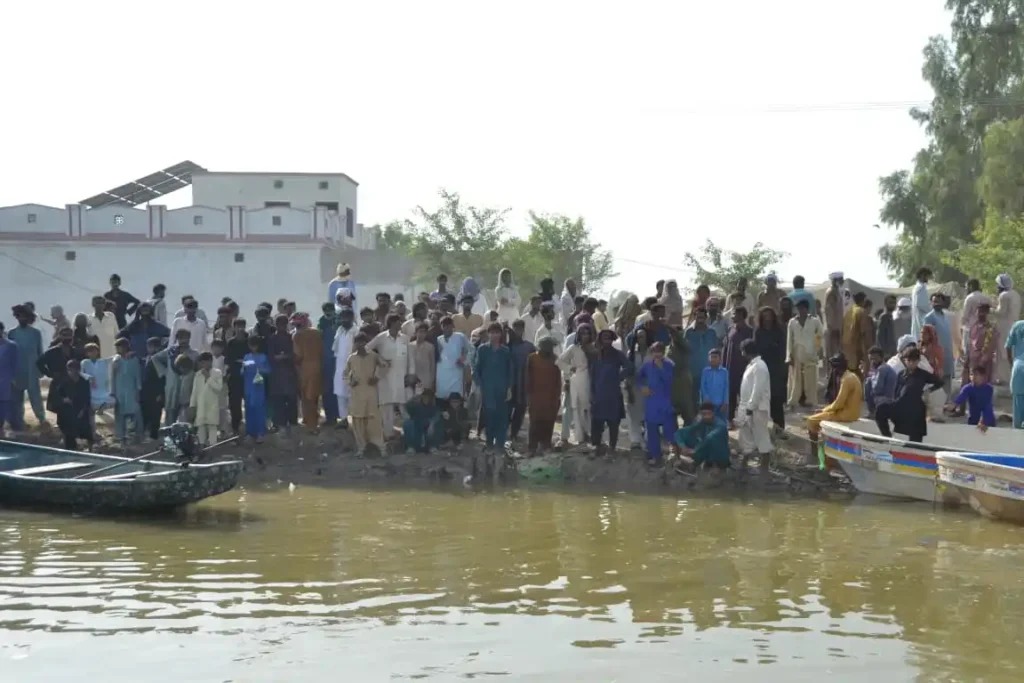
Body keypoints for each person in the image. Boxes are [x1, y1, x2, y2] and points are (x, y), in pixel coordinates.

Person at [876, 348, 944, 442]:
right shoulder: (901, 374)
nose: (912, 363)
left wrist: (928, 391)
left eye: (914, 361)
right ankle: (887, 437)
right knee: (881, 409)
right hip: (901, 406)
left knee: (915, 438)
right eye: (909, 360)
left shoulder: (922, 374)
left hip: (915, 409)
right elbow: (895, 392)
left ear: (918, 361)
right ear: (905, 360)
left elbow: (939, 382)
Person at [806, 354, 863, 458]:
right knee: (819, 416)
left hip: (846, 414)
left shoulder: (846, 379)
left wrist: (823, 410)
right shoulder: (851, 376)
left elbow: (838, 403)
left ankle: (814, 454)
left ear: (837, 368)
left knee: (811, 420)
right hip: (852, 412)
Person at [368, 314, 412, 439]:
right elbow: (367, 349)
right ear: (391, 323)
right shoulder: (381, 337)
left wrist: (410, 373)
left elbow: (410, 357)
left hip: (402, 376)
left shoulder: (405, 338)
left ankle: (409, 433)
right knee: (386, 407)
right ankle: (388, 435)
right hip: (385, 376)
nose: (400, 324)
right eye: (398, 322)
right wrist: (379, 359)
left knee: (405, 406)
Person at [589, 329, 631, 452]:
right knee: (597, 421)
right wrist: (592, 393)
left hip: (613, 393)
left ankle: (612, 447)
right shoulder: (596, 355)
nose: (606, 340)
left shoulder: (618, 354)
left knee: (614, 421)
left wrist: (619, 377)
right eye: (604, 337)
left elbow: (629, 367)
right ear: (600, 340)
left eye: (609, 337)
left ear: (612, 339)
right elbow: (593, 375)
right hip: (599, 392)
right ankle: (596, 446)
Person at [474, 322, 514, 450]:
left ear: (501, 334)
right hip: (487, 388)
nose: (495, 335)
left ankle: (500, 443)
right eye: (492, 333)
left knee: (502, 416)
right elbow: (476, 369)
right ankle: (489, 442)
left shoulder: (505, 351)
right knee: (489, 416)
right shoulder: (482, 349)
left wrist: (509, 388)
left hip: (502, 388)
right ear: (488, 334)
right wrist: (480, 386)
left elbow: (510, 371)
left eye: (497, 332)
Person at [734, 339, 772, 472]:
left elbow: (758, 389)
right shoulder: (752, 365)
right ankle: (744, 463)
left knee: (761, 436)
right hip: (748, 407)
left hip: (757, 408)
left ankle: (764, 467)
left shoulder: (760, 366)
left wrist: (750, 407)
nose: (741, 354)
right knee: (746, 436)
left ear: (746, 351)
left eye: (742, 351)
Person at [636, 342, 676, 465]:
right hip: (651, 401)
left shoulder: (669, 365)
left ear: (664, 352)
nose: (657, 354)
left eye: (660, 351)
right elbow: (638, 378)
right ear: (651, 352)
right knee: (652, 430)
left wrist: (660, 368)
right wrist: (642, 388)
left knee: (670, 430)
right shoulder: (647, 366)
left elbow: (669, 381)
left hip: (665, 401)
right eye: (655, 351)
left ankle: (676, 455)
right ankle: (656, 456)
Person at [557, 323, 595, 449]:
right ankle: (577, 438)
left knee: (588, 408)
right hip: (575, 380)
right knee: (575, 408)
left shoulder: (594, 348)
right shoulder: (573, 348)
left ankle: (589, 434)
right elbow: (559, 361)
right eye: (582, 333)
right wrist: (569, 370)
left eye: (587, 333)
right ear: (578, 335)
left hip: (589, 381)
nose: (585, 336)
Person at [150, 329, 199, 426]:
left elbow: (198, 370)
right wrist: (164, 372)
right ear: (177, 339)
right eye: (181, 338)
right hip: (172, 387)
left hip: (187, 388)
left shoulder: (194, 354)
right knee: (170, 416)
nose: (183, 340)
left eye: (186, 338)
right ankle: (169, 438)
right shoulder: (170, 352)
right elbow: (155, 358)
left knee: (186, 418)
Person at [9, 305, 46, 429]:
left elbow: (39, 351)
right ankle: (19, 421)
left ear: (28, 317)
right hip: (17, 370)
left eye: (24, 316)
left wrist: (41, 369)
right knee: (17, 398)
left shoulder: (35, 333)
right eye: (19, 316)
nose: (22, 318)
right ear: (16, 317)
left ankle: (41, 419)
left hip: (32, 369)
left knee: (35, 396)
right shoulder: (12, 333)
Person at [523, 337, 561, 454]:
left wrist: (557, 397)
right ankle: (532, 447)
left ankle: (546, 445)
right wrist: (528, 395)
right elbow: (527, 377)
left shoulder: (555, 359)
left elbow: (558, 380)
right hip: (536, 396)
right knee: (535, 422)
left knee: (548, 422)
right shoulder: (532, 358)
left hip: (550, 397)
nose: (551, 350)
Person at [38, 327, 85, 416]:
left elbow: (83, 364)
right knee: (59, 406)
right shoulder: (52, 351)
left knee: (74, 405)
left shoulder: (76, 351)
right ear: (60, 336)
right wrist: (50, 374)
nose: (67, 338)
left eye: (69, 335)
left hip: (73, 382)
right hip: (58, 382)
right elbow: (39, 362)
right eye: (64, 335)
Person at [786, 299, 822, 410]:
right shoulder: (792, 322)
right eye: (798, 308)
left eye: (802, 308)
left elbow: (819, 336)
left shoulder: (815, 321)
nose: (800, 311)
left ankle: (811, 402)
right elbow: (789, 339)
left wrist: (817, 350)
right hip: (797, 352)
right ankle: (792, 402)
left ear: (807, 309)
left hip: (810, 353)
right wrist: (789, 355)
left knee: (810, 379)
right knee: (795, 379)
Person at [674, 402, 730, 472]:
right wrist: (683, 446)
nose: (706, 416)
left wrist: (695, 450)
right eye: (703, 414)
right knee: (686, 434)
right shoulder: (702, 422)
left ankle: (716, 466)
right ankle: (697, 462)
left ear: (713, 413)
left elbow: (709, 438)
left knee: (710, 442)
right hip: (706, 451)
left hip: (720, 455)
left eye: (708, 414)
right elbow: (680, 432)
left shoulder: (720, 425)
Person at [266, 314, 298, 434]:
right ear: (276, 325)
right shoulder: (272, 339)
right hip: (276, 372)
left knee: (290, 398)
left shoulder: (291, 337)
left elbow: (293, 354)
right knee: (278, 398)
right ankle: (279, 423)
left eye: (284, 324)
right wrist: (280, 357)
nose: (281, 327)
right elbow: (270, 356)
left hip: (289, 371)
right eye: (279, 324)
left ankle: (292, 422)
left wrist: (283, 356)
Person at [52, 359, 93, 451]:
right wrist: (64, 399)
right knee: (68, 429)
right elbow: (57, 396)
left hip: (81, 408)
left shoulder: (84, 382)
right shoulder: (64, 382)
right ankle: (71, 448)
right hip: (68, 410)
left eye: (74, 370)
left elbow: (87, 398)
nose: (71, 372)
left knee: (85, 429)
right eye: (69, 370)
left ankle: (91, 448)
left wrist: (83, 410)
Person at [291, 313, 323, 430]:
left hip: (305, 368)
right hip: (318, 366)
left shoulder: (297, 336)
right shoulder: (317, 333)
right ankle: (313, 419)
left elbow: (298, 355)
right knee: (315, 395)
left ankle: (311, 423)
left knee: (307, 396)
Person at [684, 307, 720, 409]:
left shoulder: (712, 332)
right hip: (693, 371)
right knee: (693, 399)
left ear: (706, 317)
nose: (700, 319)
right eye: (698, 316)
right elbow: (685, 351)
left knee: (708, 399)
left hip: (709, 370)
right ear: (694, 317)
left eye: (702, 317)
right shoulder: (689, 332)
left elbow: (716, 350)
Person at [507, 320, 535, 442]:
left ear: (523, 330)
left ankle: (514, 434)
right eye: (515, 328)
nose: (517, 331)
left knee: (520, 410)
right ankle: (503, 434)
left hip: (523, 384)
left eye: (520, 329)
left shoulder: (529, 346)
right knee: (506, 410)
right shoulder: (506, 346)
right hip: (509, 384)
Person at [723, 307, 752, 422]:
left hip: (743, 369)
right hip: (730, 368)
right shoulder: (730, 329)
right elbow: (725, 348)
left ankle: (747, 420)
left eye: (734, 314)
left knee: (745, 395)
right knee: (730, 396)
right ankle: (730, 420)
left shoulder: (749, 331)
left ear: (741, 315)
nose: (732, 316)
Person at [962, 302, 1000, 390]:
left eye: (983, 311)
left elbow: (991, 346)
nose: (980, 314)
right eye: (979, 311)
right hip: (972, 360)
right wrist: (967, 359)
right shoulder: (973, 326)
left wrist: (982, 361)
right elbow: (970, 343)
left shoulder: (991, 328)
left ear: (987, 313)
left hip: (983, 363)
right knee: (971, 386)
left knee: (983, 387)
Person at [188, 352, 223, 447]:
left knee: (212, 427)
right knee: (201, 427)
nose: (204, 365)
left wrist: (208, 377)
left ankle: (212, 447)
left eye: (206, 362)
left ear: (211, 361)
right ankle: (201, 447)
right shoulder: (198, 375)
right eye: (202, 363)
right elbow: (194, 392)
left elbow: (218, 388)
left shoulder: (217, 373)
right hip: (201, 405)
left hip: (212, 405)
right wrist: (192, 405)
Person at [241, 336, 270, 442]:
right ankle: (249, 432)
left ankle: (260, 433)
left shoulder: (263, 357)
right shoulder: (246, 357)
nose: (253, 348)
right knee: (249, 409)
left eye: (255, 345)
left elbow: (268, 371)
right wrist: (244, 367)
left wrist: (259, 368)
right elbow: (241, 372)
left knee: (259, 409)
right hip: (248, 386)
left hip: (258, 386)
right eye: (251, 345)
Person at [923, 293, 954, 393]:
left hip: (948, 352)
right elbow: (926, 337)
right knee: (937, 378)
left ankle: (947, 402)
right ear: (931, 303)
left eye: (939, 301)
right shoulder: (929, 317)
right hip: (936, 354)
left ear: (943, 302)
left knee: (947, 377)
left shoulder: (946, 316)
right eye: (934, 301)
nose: (936, 303)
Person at [995, 274, 1022, 385]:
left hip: (1004, 326)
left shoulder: (1004, 295)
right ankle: (1014, 376)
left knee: (1002, 352)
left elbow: (1001, 312)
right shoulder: (1016, 294)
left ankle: (1003, 379)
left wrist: (990, 310)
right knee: (1013, 351)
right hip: (1015, 326)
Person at [436, 316, 470, 401]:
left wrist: (464, 360)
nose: (447, 328)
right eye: (445, 326)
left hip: (456, 371)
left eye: (449, 325)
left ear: (453, 326)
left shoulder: (460, 337)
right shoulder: (438, 339)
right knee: (442, 397)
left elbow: (470, 350)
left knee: (456, 398)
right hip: (442, 372)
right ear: (441, 327)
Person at [80, 343, 111, 430]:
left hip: (102, 389)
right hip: (91, 389)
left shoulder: (102, 362)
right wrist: (90, 378)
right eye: (90, 351)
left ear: (97, 352)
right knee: (91, 410)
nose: (92, 353)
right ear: (87, 353)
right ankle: (93, 430)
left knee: (109, 401)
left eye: (94, 351)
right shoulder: (85, 362)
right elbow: (81, 373)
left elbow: (114, 358)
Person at [841, 291, 873, 378]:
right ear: (863, 301)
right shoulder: (862, 312)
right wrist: (868, 349)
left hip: (846, 348)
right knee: (860, 374)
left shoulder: (849, 311)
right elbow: (864, 333)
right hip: (857, 348)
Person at [140, 337, 166, 441]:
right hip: (145, 391)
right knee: (145, 412)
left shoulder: (160, 359)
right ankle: (145, 432)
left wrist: (161, 393)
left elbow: (162, 378)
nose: (149, 348)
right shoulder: (146, 358)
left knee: (156, 413)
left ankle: (153, 435)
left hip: (156, 391)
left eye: (151, 346)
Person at [864, 346, 897, 417]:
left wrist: (870, 378)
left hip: (887, 400)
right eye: (871, 359)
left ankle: (873, 412)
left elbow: (877, 389)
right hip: (890, 399)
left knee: (868, 383)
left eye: (875, 359)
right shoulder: (883, 367)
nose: (872, 361)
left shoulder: (882, 369)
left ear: (881, 358)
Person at [699, 348, 729, 424]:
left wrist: (725, 402)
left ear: (720, 359)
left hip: (721, 404)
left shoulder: (724, 372)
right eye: (711, 357)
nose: (713, 359)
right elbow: (703, 386)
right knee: (709, 422)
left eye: (715, 357)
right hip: (709, 403)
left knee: (721, 423)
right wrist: (706, 398)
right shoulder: (705, 371)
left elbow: (726, 387)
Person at [1005, 318, 1024, 429]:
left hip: (1018, 368)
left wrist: (1012, 364)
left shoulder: (1017, 325)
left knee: (1017, 406)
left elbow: (1008, 346)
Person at [0, 322, 18, 436]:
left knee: (4, 405)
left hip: (5, 380)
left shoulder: (11, 346)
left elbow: (15, 364)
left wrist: (13, 379)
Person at [823, 272, 845, 360]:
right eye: (840, 279)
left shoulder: (837, 292)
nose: (842, 281)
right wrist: (833, 328)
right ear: (835, 281)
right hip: (832, 330)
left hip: (837, 329)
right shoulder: (831, 293)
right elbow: (829, 311)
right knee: (832, 358)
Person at [875, 295, 898, 359]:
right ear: (885, 303)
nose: (893, 305)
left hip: (893, 351)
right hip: (886, 353)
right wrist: (884, 352)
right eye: (890, 303)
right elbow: (880, 336)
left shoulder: (892, 316)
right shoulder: (884, 317)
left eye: (894, 303)